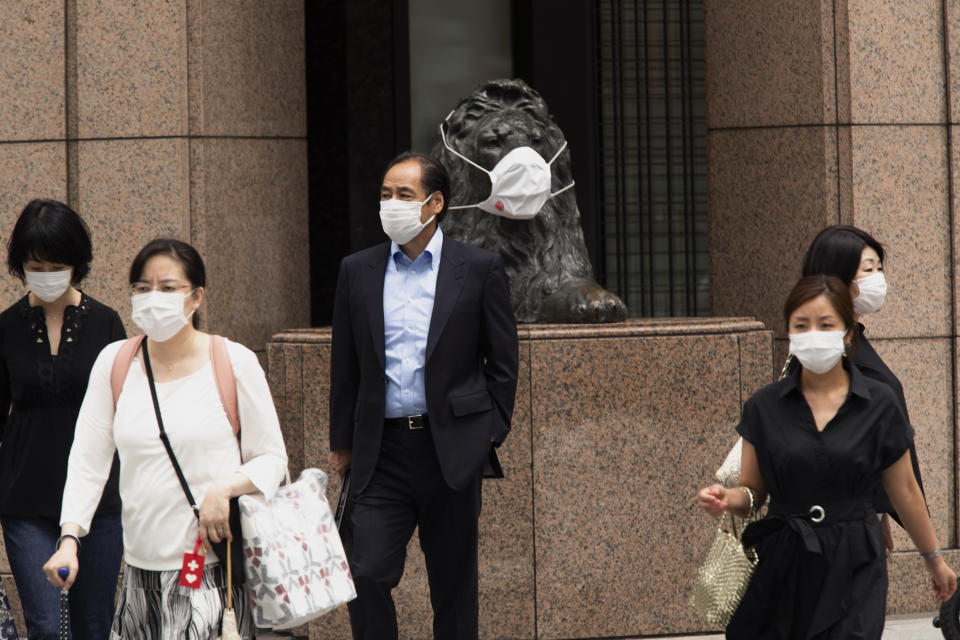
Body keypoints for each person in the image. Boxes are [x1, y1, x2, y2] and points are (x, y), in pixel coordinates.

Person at [42, 238, 288, 639]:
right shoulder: (116, 363)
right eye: (142, 288)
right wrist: (70, 537)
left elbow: (274, 460)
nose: (153, 298)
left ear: (196, 297)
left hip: (210, 573)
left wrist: (223, 489)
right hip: (139, 579)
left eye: (168, 288)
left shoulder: (233, 361)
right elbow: (88, 459)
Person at [698, 275, 955, 638]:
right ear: (788, 332)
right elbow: (753, 493)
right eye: (801, 325)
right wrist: (727, 498)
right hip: (786, 560)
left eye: (826, 324)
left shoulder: (878, 403)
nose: (813, 334)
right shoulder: (764, 406)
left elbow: (906, 490)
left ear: (848, 332)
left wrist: (934, 559)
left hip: (856, 558)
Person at [329, 152, 519, 640]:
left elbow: (502, 363)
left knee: (454, 588)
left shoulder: (477, 269)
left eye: (404, 195)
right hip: (380, 451)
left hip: (451, 450)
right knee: (365, 573)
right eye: (385, 194)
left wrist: (488, 433)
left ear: (435, 203)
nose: (390, 204)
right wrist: (342, 444)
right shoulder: (358, 270)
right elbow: (345, 366)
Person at [0, 199, 124, 640]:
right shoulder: (7, 327)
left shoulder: (106, 324)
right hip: (25, 499)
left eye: (57, 264)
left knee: (94, 624)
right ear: (20, 265)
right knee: (48, 628)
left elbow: (123, 413)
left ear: (76, 264)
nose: (47, 273)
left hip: (99, 502)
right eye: (36, 264)